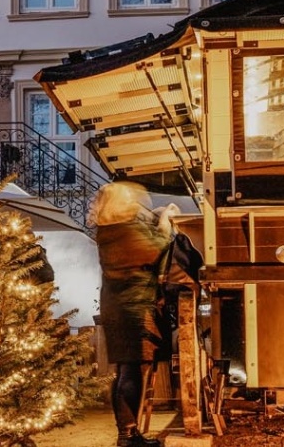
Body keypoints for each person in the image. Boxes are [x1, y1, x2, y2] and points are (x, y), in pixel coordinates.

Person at [94, 181, 175, 447]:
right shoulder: (124, 230)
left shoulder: (110, 230)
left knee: (125, 370)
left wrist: (156, 219)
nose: (137, 205)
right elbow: (155, 249)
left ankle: (128, 433)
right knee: (132, 371)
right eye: (132, 201)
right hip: (133, 308)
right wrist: (165, 221)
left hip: (118, 307)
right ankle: (127, 436)